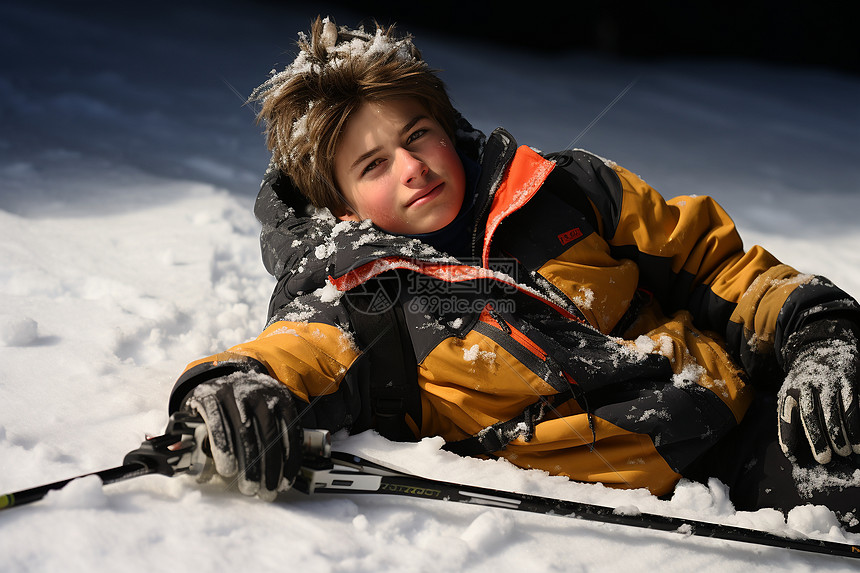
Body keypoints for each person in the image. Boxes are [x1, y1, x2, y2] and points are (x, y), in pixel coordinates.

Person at [167, 16, 860, 529]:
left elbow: (713, 263)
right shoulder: (354, 296)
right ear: (340, 203)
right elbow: (297, 351)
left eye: (417, 137)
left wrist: (817, 332)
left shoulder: (563, 189)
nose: (411, 167)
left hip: (743, 411)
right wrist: (233, 388)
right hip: (649, 485)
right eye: (374, 165)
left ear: (446, 128)